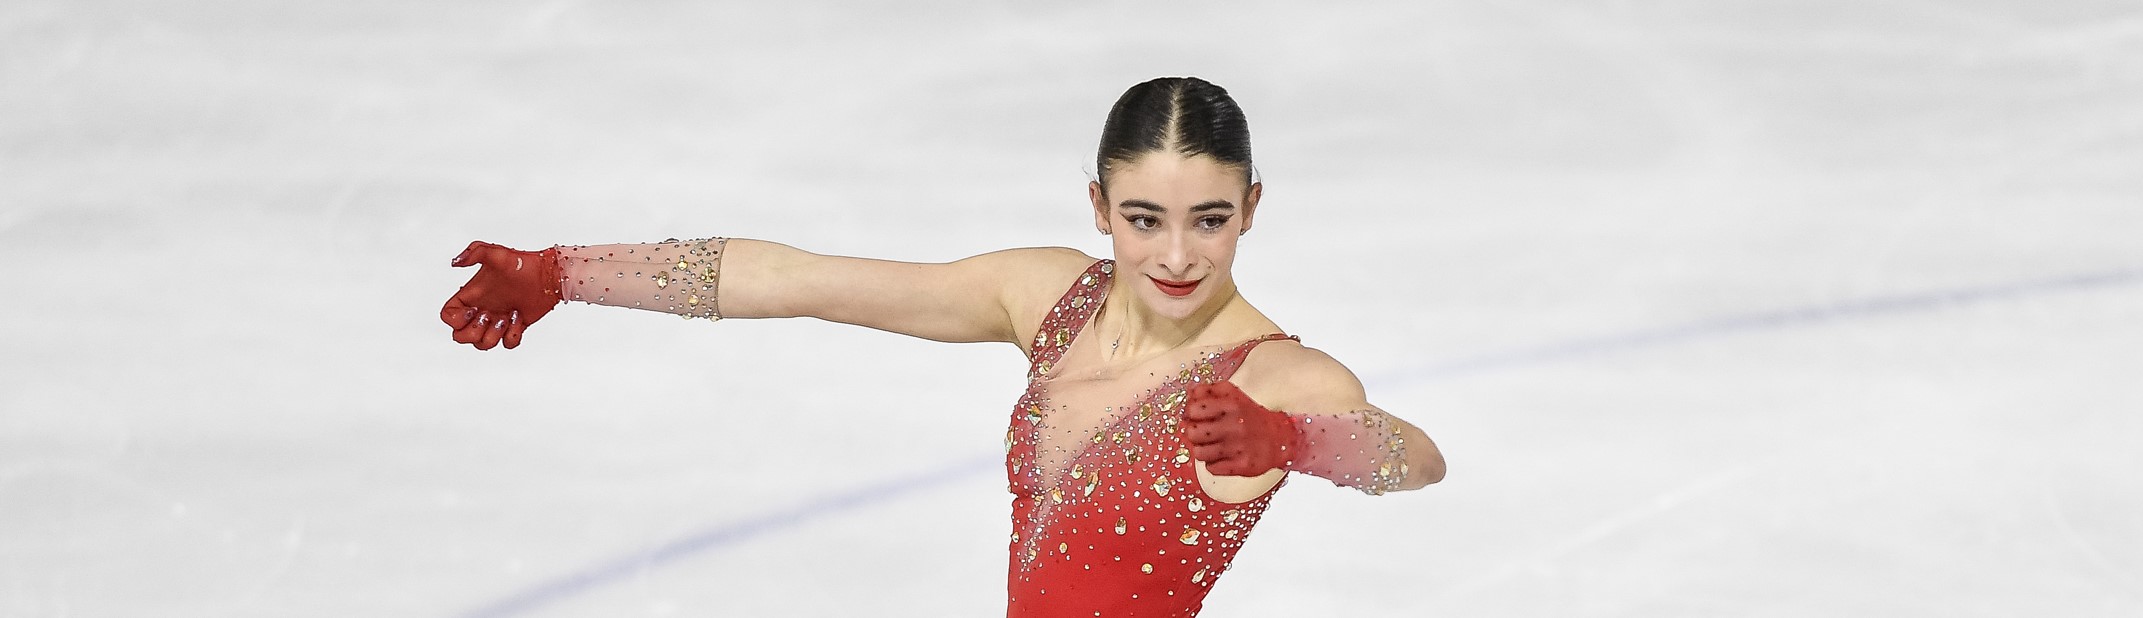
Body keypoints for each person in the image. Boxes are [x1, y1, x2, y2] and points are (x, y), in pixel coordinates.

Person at [440, 76, 1447, 617]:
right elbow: (802, 280)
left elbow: (1414, 460)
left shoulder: (1275, 374)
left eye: (1209, 220)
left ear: (1251, 208)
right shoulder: (1049, 297)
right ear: (1099, 207)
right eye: (1144, 219)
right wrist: (564, 272)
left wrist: (1292, 439)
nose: (1176, 255)